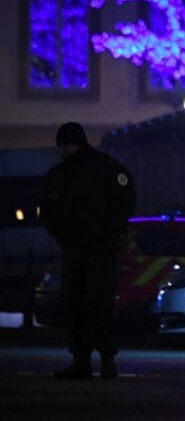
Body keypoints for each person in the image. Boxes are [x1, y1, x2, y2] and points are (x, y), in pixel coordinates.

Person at [41, 122, 136, 380]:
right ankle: (104, 361)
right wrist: (112, 235)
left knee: (80, 306)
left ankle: (84, 362)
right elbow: (125, 203)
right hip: (98, 250)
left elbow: (48, 210)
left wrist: (62, 235)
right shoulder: (107, 168)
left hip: (82, 250)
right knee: (97, 306)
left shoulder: (63, 173)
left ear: (69, 145)